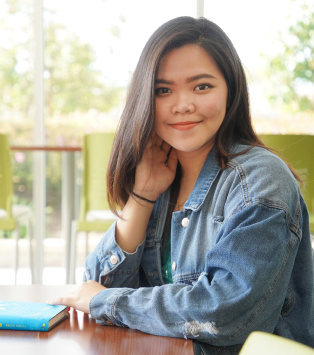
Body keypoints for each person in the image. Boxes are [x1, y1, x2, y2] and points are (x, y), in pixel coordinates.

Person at [48, 16, 314, 354]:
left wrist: (106, 301)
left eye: (201, 86)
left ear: (230, 90)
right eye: (163, 90)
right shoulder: (161, 175)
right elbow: (97, 285)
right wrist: (142, 196)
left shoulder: (261, 183)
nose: (182, 104)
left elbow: (222, 312)